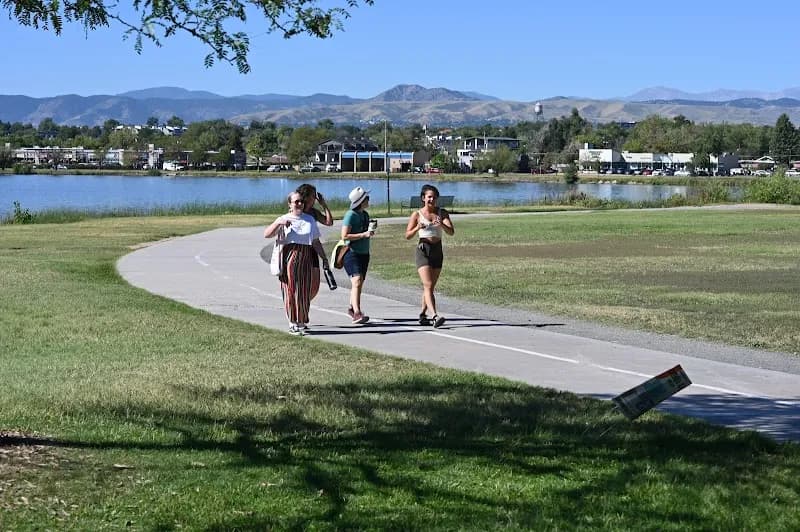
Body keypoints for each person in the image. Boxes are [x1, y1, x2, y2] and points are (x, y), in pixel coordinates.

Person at [264, 191, 329, 335]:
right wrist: (278, 223)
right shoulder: (284, 218)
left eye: (301, 201)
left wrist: (324, 258)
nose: (299, 204)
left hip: (306, 256)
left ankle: (301, 320)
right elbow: (267, 234)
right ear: (290, 204)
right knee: (291, 290)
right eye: (296, 202)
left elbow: (315, 241)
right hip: (290, 257)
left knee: (305, 291)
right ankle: (292, 322)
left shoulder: (309, 220)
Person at [404, 184, 455, 328]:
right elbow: (407, 235)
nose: (432, 199)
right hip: (423, 250)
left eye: (434, 197)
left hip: (437, 250)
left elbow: (451, 232)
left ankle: (422, 313)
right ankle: (435, 316)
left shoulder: (442, 213)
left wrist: (442, 225)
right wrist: (417, 227)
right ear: (423, 198)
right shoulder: (417, 214)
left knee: (430, 287)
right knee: (427, 284)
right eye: (429, 197)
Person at [341, 186, 374, 324]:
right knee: (357, 281)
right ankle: (357, 313)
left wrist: (370, 230)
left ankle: (351, 307)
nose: (368, 200)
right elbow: (344, 236)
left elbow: (366, 231)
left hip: (364, 253)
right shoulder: (351, 215)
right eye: (366, 198)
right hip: (351, 252)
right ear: (360, 201)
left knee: (358, 283)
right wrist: (363, 234)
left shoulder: (365, 215)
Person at [296, 183, 333, 299]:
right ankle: (301, 305)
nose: (315, 199)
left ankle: (305, 302)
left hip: (312, 250)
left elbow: (329, 222)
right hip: (299, 250)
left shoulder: (313, 212)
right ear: (305, 197)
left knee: (314, 284)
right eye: (313, 196)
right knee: (301, 282)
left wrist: (324, 205)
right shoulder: (296, 211)